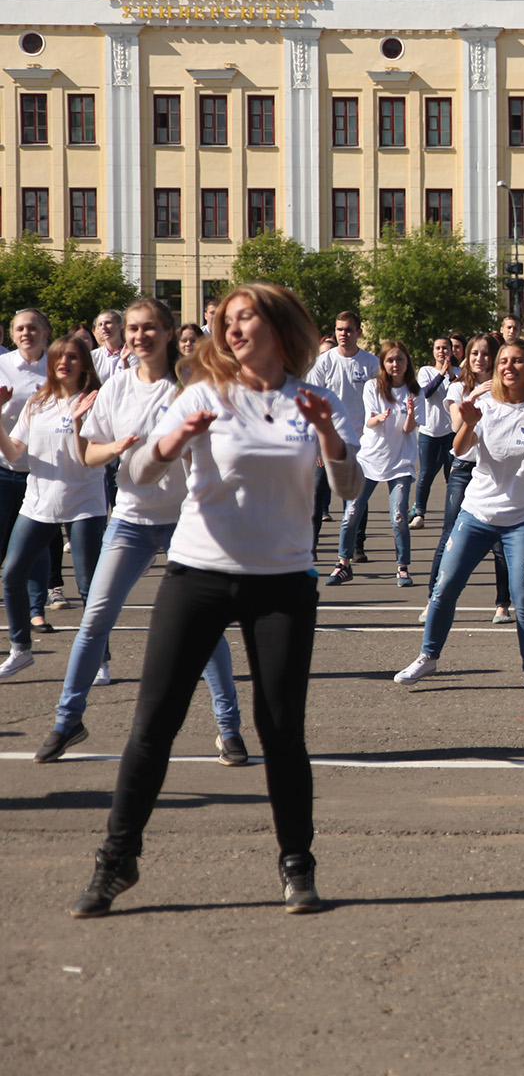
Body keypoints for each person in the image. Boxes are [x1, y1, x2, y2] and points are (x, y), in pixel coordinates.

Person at [70, 282, 362, 917]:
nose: (231, 330)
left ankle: (297, 865)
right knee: (154, 724)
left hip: (283, 581)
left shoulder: (311, 401)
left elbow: (349, 488)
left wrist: (329, 438)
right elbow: (138, 474)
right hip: (199, 572)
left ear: (279, 328)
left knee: (281, 729)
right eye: (226, 320)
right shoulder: (201, 394)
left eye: (244, 318)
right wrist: (173, 442)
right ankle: (117, 860)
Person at [33, 299, 245, 766]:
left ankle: (229, 729)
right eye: (132, 329)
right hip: (130, 520)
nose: (139, 336)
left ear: (169, 334)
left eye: (150, 328)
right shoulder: (115, 388)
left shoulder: (191, 387)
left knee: (204, 629)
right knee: (94, 621)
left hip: (187, 523)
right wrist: (114, 445)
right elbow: (89, 456)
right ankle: (68, 721)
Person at [394, 337, 524, 692]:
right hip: (476, 514)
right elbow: (458, 451)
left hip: (521, 522)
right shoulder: (483, 404)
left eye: (518, 361)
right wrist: (468, 424)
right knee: (444, 589)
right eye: (504, 361)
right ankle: (428, 657)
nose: (508, 367)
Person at [0, 334, 109, 678]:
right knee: (12, 575)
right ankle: (20, 649)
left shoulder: (95, 401)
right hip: (38, 502)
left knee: (90, 586)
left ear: (84, 364)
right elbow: (14, 452)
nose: (64, 363)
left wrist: (78, 420)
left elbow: (88, 459)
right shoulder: (37, 403)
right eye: (59, 358)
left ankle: (100, 658)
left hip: (83, 504)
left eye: (73, 358)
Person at [423, 334, 512, 625]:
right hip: (463, 468)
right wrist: (472, 397)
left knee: (501, 540)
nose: (479, 359)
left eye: (485, 354)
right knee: (450, 534)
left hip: (497, 470)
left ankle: (503, 604)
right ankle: (433, 599)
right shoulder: (458, 387)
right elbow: (458, 427)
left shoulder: (506, 388)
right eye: (474, 353)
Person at [328, 341, 419, 587]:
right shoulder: (373, 387)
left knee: (399, 517)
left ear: (407, 362)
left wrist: (410, 414)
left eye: (400, 359)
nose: (395, 364)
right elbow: (369, 422)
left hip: (400, 462)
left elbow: (408, 429)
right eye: (390, 360)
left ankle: (402, 567)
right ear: (383, 364)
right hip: (369, 461)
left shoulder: (414, 391)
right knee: (351, 514)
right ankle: (343, 564)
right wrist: (379, 418)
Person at [306, 310, 377, 560]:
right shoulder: (323, 362)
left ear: (358, 332)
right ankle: (311, 547)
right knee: (316, 495)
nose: (343, 334)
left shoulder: (371, 364)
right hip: (326, 440)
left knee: (357, 495)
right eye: (339, 330)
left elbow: (377, 403)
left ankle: (357, 546)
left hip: (359, 442)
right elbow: (312, 401)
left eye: (348, 330)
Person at [0, 311, 53, 629]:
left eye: (33, 328)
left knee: (37, 542)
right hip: (3, 466)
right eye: (20, 328)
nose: (26, 333)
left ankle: (37, 610)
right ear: (11, 333)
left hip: (42, 470)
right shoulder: (2, 365)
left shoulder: (57, 367)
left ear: (46, 332)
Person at [410, 335, 460, 529]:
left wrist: (451, 374)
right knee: (426, 474)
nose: (442, 351)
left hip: (451, 432)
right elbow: (426, 393)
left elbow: (461, 392)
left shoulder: (458, 372)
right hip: (429, 431)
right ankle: (419, 512)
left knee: (452, 475)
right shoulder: (426, 371)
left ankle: (452, 514)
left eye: (445, 348)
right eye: (438, 348)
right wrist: (441, 374)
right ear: (433, 351)